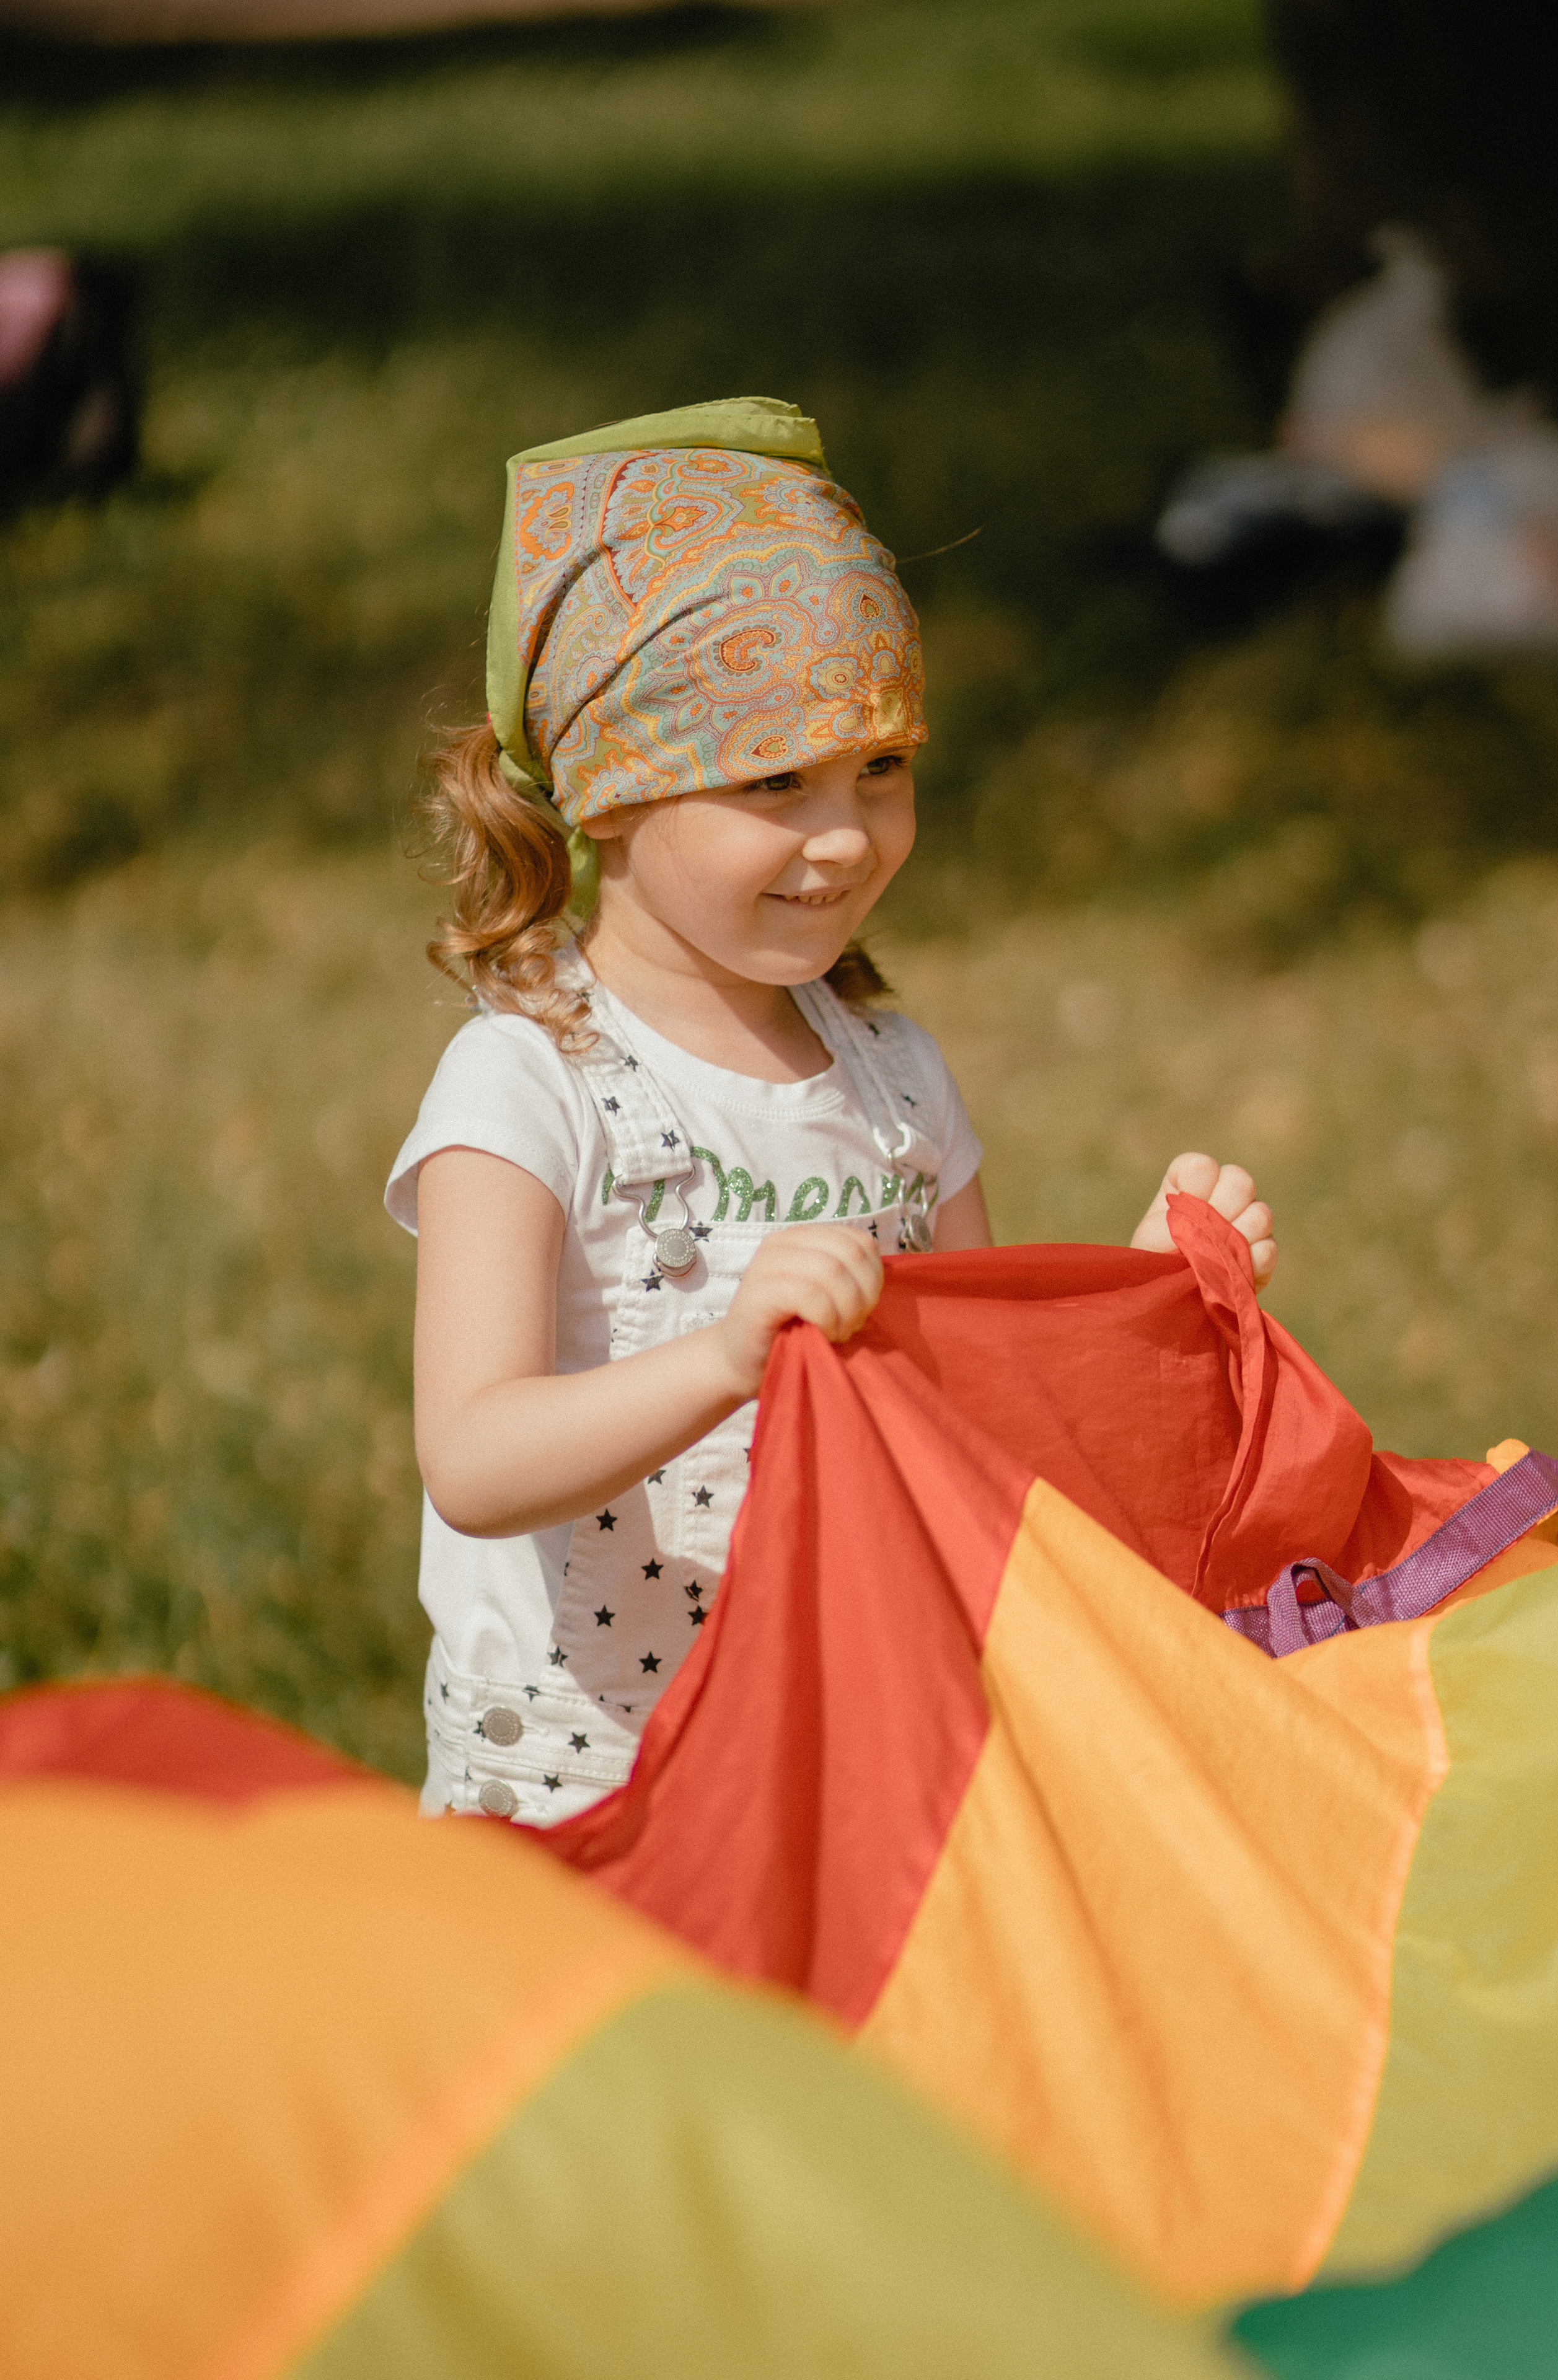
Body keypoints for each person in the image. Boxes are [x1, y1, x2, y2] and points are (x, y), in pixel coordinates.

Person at [385, 397, 1277, 1827]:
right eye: (772, 781)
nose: (846, 833)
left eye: (880, 765)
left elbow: (974, 1419)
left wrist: (1145, 1309)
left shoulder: (894, 1075)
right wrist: (726, 1356)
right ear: (609, 799)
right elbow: (476, 1459)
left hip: (846, 1753)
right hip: (588, 1793)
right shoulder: (526, 1082)